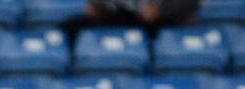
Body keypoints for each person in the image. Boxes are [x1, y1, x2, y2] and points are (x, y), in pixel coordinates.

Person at [63, 0, 199, 43]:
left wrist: (160, 11)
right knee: (71, 26)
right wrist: (97, 4)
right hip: (123, 16)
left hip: (162, 23)